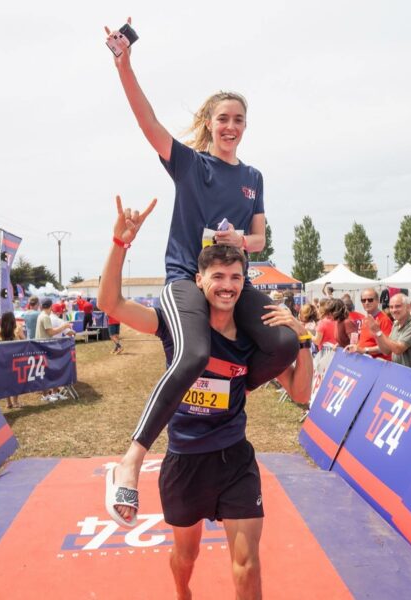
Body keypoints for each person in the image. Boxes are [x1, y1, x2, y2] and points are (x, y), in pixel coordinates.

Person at [103, 20, 299, 498]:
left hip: (233, 278)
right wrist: (124, 64)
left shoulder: (253, 177)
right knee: (193, 355)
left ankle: (234, 391)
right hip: (187, 279)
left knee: (283, 343)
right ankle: (131, 461)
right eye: (223, 118)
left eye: (239, 120)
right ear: (209, 122)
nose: (231, 127)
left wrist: (239, 240)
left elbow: (259, 239)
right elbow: (148, 122)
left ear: (245, 127)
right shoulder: (191, 164)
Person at [99, 197, 312, 599]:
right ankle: (183, 593)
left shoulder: (253, 342)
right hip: (185, 461)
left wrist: (301, 338)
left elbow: (301, 393)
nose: (227, 286)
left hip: (235, 460)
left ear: (244, 283)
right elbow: (110, 304)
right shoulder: (176, 328)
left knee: (247, 563)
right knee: (186, 556)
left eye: (235, 277)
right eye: (218, 276)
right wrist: (120, 244)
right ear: (199, 281)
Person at [368, 293, 411, 371]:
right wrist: (376, 334)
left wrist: (379, 332)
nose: (394, 310)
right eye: (391, 307)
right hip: (398, 372)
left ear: (408, 306)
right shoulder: (396, 324)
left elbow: (398, 349)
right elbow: (386, 351)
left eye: (398, 306)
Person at [36, 298, 74, 402]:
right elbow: (51, 333)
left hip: (44, 346)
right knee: (48, 371)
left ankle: (53, 393)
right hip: (46, 346)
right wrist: (64, 326)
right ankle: (47, 395)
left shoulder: (42, 315)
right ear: (50, 306)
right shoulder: (45, 317)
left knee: (49, 371)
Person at [345, 288, 393, 359]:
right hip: (366, 360)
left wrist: (365, 350)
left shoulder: (384, 320)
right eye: (363, 300)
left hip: (378, 362)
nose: (366, 303)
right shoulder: (366, 318)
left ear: (377, 301)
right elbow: (364, 341)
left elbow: (387, 347)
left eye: (370, 300)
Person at [0, 311, 26, 408]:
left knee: (6, 379)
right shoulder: (17, 328)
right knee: (16, 380)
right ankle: (15, 402)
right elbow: (24, 339)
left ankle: (8, 402)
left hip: (4, 357)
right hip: (16, 358)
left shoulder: (0, 330)